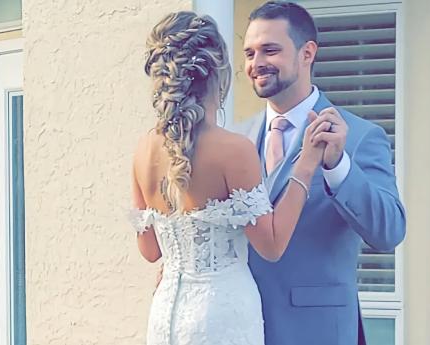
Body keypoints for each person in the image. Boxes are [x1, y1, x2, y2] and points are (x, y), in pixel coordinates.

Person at [129, 11, 332, 345]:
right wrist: (306, 165)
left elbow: (150, 249)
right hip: (221, 315)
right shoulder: (233, 149)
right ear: (217, 73)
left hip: (165, 314)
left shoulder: (143, 149)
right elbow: (272, 244)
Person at [233, 2, 407, 344]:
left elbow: (389, 231)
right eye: (250, 52)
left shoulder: (358, 136)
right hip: (242, 325)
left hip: (318, 331)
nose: (257, 63)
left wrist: (337, 166)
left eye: (270, 50)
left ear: (307, 53)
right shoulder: (234, 141)